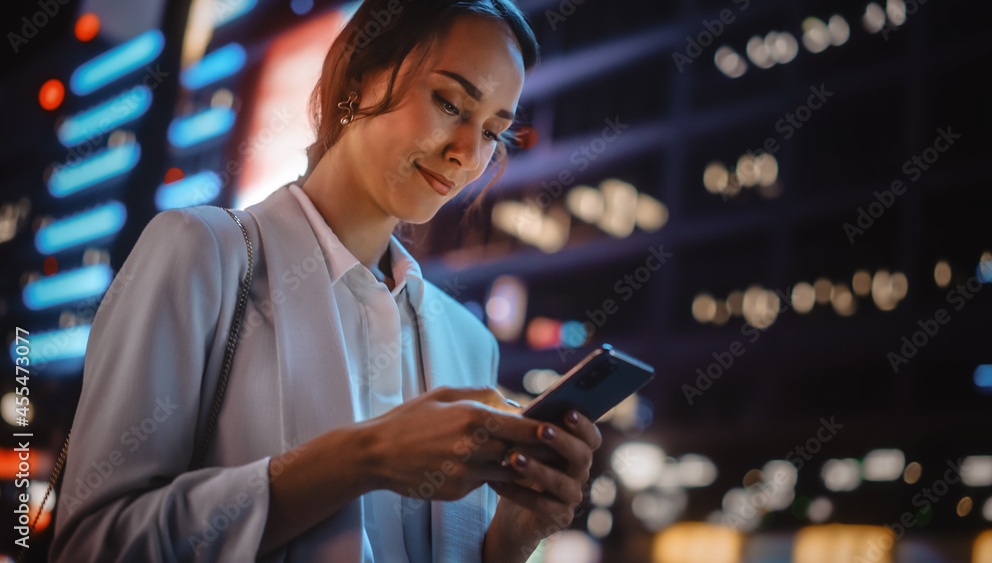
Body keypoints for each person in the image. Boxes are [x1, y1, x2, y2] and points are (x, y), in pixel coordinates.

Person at [48, 0, 602, 561]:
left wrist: (511, 536)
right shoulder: (200, 252)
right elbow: (92, 544)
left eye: (493, 133)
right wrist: (365, 457)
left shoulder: (468, 342)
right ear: (360, 76)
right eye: (449, 102)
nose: (466, 153)